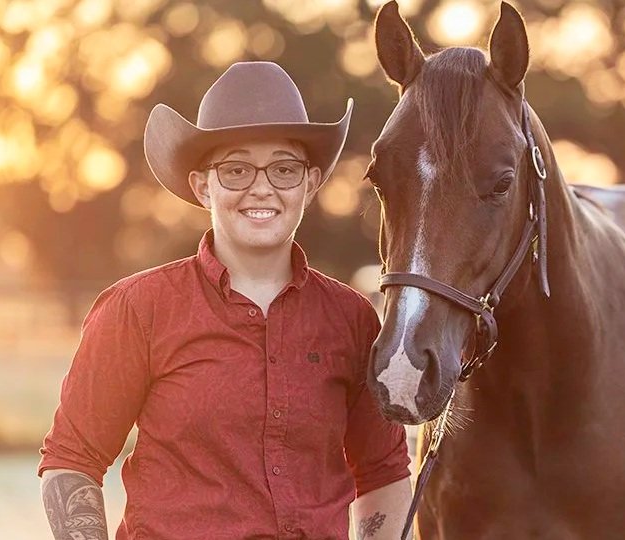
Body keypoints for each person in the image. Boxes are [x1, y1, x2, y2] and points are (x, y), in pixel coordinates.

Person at [38, 61, 411, 540]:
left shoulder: (352, 320)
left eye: (284, 169)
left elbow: (382, 473)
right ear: (202, 186)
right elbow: (73, 460)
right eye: (236, 170)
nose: (262, 187)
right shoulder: (139, 309)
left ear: (310, 184)